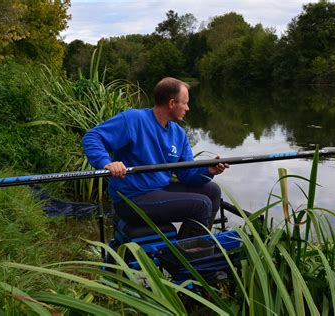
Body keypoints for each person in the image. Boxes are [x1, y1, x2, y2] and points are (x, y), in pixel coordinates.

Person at [83, 77, 229, 238]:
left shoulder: (179, 134)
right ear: (172, 103)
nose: (187, 108)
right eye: (185, 103)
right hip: (132, 198)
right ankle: (187, 258)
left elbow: (187, 175)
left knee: (213, 191)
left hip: (159, 189)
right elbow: (93, 137)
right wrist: (107, 163)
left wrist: (209, 170)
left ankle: (197, 243)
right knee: (201, 205)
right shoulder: (134, 119)